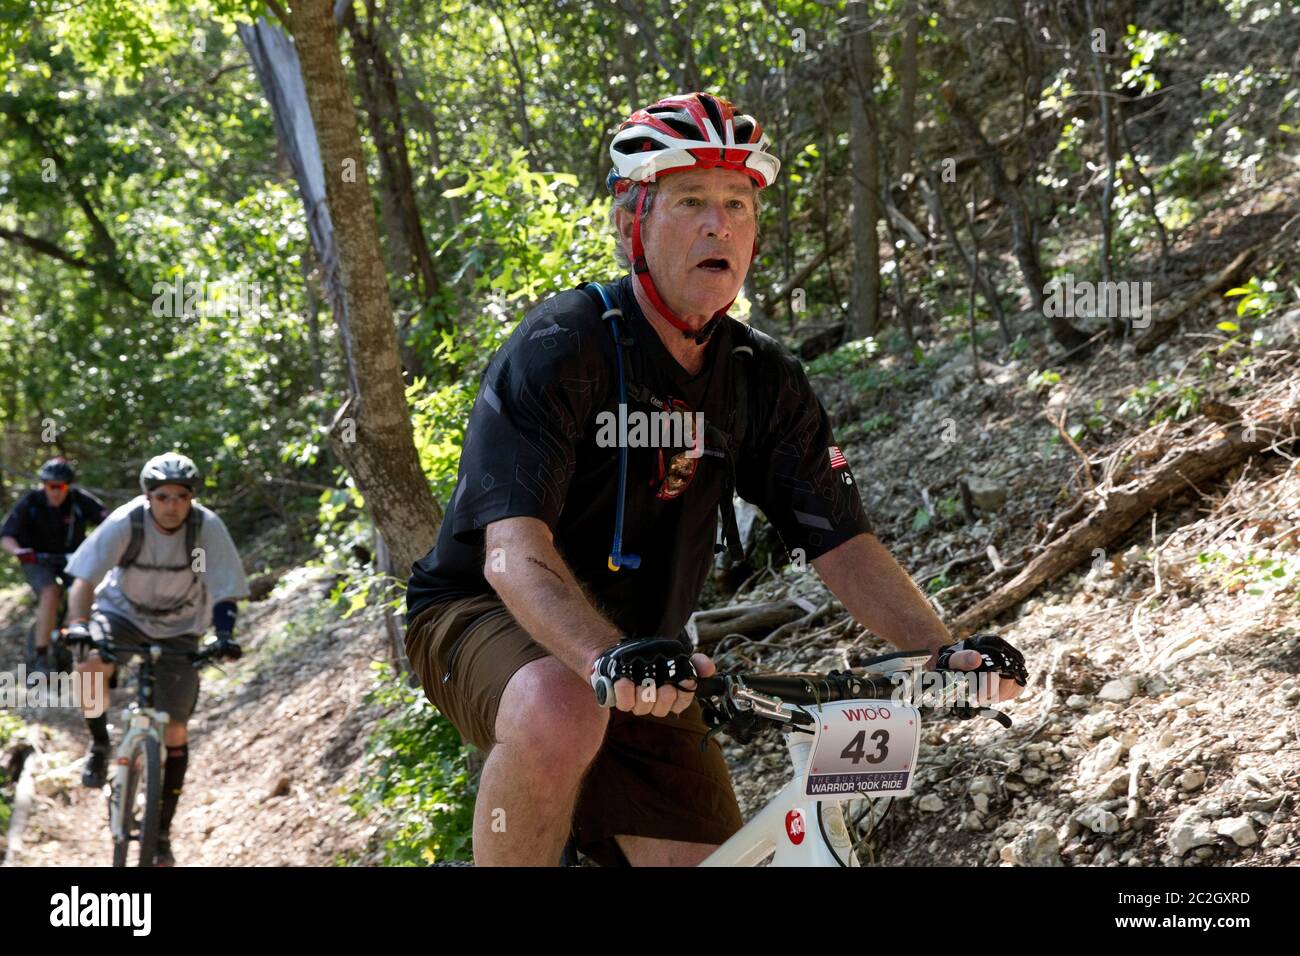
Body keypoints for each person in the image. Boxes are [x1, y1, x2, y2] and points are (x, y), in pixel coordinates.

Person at [404, 92, 1028, 867]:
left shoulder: (759, 377)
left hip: (652, 657)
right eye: (690, 200)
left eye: (737, 204)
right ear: (632, 219)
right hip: (484, 613)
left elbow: (843, 544)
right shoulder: (564, 347)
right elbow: (509, 555)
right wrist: (604, 659)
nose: (718, 224)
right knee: (557, 706)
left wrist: (943, 654)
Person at [62, 452, 249, 866]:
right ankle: (98, 744)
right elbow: (84, 578)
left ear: (191, 498)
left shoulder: (206, 527)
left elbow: (225, 588)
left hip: (181, 626)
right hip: (121, 613)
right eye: (162, 496)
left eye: (181, 497)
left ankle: (161, 833)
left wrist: (225, 634)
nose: (171, 505)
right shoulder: (127, 522)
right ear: (148, 497)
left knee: (176, 732)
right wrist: (78, 623)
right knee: (90, 666)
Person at [1, 457, 109, 679]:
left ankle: (80, 648)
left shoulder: (79, 501)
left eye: (61, 486)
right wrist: (18, 552)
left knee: (85, 590)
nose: (56, 491)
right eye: (51, 486)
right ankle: (40, 656)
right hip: (37, 560)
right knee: (51, 591)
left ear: (68, 486)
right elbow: (7, 535)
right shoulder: (30, 502)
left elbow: (108, 521)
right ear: (44, 485)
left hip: (72, 560)